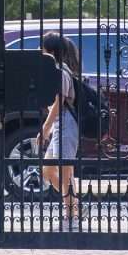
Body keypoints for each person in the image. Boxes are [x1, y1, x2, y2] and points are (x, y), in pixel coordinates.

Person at [37, 31, 83, 224]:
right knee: (48, 170)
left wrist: (45, 128)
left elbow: (59, 102)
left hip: (65, 123)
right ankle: (75, 204)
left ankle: (70, 213)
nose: (40, 50)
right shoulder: (55, 69)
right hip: (59, 123)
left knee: (65, 171)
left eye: (43, 47)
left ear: (51, 50)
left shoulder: (61, 71)